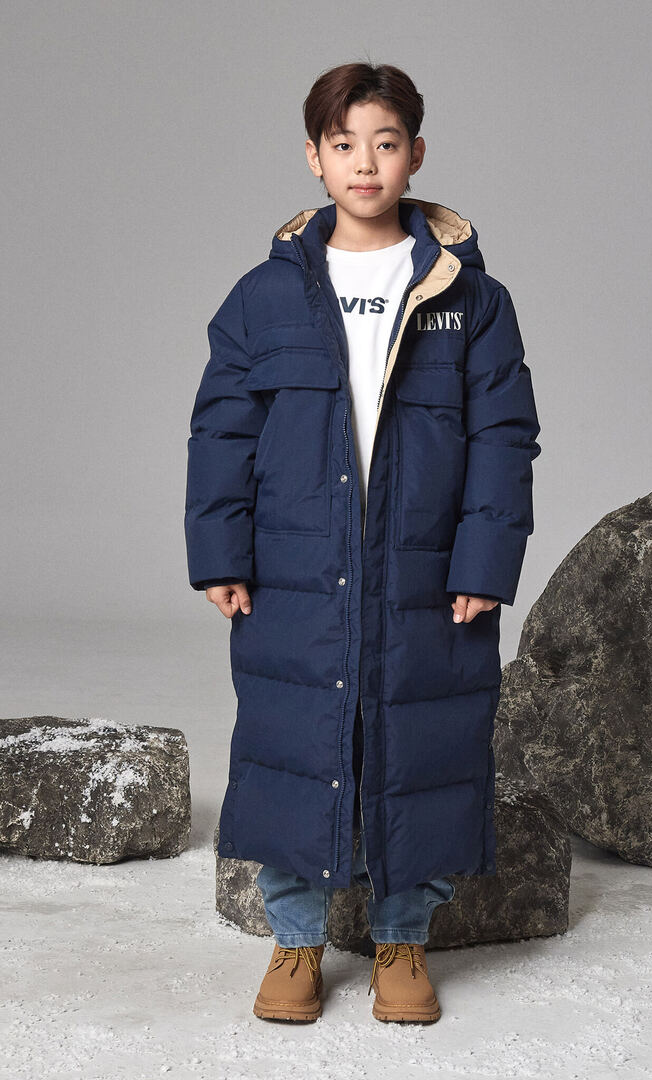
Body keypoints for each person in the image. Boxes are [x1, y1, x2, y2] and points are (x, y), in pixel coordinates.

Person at [184, 60, 541, 1024]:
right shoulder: (264, 296)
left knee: (422, 742)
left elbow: (504, 438)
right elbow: (222, 429)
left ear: (415, 153)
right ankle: (295, 941)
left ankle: (402, 939)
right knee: (291, 741)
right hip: (296, 564)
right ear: (314, 156)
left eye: (385, 143)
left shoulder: (472, 298)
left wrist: (484, 562)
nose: (366, 164)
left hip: (425, 567)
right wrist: (221, 551)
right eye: (344, 144)